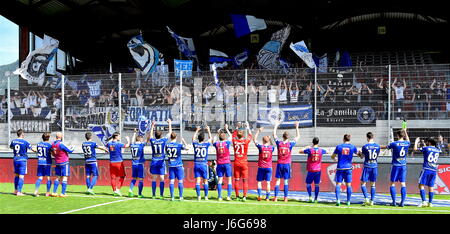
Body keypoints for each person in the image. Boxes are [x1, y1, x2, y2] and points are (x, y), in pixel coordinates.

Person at [380, 129, 410, 207]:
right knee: (403, 184)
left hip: (395, 165)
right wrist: (405, 131)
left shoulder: (394, 144)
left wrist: (378, 146)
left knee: (392, 183)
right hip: (403, 166)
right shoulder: (407, 143)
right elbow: (408, 140)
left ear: (397, 135)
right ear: (403, 135)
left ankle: (394, 202)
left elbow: (385, 147)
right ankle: (402, 202)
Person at [272, 120, 300, 202]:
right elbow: (298, 137)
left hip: (280, 164)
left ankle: (276, 197)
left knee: (277, 181)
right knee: (286, 181)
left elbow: (274, 134)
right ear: (288, 137)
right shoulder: (290, 144)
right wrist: (297, 127)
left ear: (283, 137)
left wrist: (276, 125)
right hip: (287, 164)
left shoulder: (279, 143)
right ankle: (285, 198)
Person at [147, 119, 172, 199]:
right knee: (161, 178)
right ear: (161, 135)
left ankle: (153, 195)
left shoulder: (153, 141)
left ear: (155, 135)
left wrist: (152, 126)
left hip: (154, 161)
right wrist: (170, 123)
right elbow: (170, 133)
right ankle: (161, 195)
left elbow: (150, 135)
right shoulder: (163, 140)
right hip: (161, 161)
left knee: (154, 178)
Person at [331, 134, 358, 206]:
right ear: (349, 139)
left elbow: (332, 156)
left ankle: (338, 200)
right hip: (348, 168)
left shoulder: (339, 146)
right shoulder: (352, 147)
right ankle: (348, 201)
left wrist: (335, 159)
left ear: (343, 139)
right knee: (348, 185)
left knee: (338, 185)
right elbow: (360, 155)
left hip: (340, 168)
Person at [413, 137, 441, 207]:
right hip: (434, 170)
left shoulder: (426, 148)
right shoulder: (438, 150)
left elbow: (415, 149)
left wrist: (416, 142)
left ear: (429, 142)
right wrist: (424, 144)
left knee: (421, 185)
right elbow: (430, 149)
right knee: (431, 186)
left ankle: (424, 201)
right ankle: (430, 203)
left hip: (426, 169)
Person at [299, 137, 326, 203]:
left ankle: (310, 196)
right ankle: (316, 199)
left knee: (308, 184)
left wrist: (306, 147)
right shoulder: (321, 150)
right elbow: (327, 151)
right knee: (317, 185)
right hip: (318, 170)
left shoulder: (310, 150)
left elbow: (300, 151)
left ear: (312, 142)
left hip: (311, 170)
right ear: (318, 142)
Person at [10, 129, 36, 196]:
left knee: (16, 175)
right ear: (22, 134)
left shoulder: (13, 141)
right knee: (21, 176)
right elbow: (33, 149)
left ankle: (15, 190)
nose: (24, 135)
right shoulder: (25, 142)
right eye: (23, 134)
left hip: (15, 159)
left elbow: (11, 147)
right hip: (22, 160)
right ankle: (19, 192)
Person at [357, 132, 381, 206]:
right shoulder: (377, 146)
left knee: (363, 183)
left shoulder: (365, 146)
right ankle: (372, 201)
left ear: (367, 138)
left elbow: (362, 156)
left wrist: (358, 153)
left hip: (367, 166)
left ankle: (366, 199)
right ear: (373, 137)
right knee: (373, 184)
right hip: (374, 166)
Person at [232, 121, 253, 202]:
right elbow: (250, 136)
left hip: (237, 162)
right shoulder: (245, 141)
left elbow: (233, 135)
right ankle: (244, 196)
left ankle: (237, 196)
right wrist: (248, 127)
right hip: (244, 162)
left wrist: (237, 127)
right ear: (243, 135)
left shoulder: (234, 141)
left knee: (237, 180)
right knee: (244, 180)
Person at [105, 132, 130, 196]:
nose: (119, 137)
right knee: (122, 176)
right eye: (119, 136)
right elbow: (127, 146)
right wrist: (128, 140)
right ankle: (118, 189)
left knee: (113, 178)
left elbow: (106, 146)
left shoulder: (109, 143)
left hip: (112, 163)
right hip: (119, 163)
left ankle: (114, 190)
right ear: (116, 137)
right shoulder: (118, 144)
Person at [50, 132, 74, 197]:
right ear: (61, 137)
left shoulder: (52, 144)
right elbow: (70, 151)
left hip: (57, 162)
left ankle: (54, 192)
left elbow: (52, 152)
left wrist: (55, 156)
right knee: (65, 177)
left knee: (58, 177)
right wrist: (72, 147)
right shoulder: (61, 144)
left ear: (56, 137)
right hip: (64, 162)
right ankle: (63, 193)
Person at [253, 127, 275, 201]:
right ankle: (267, 197)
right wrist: (270, 139)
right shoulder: (271, 148)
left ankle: (259, 196)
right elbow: (272, 145)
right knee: (268, 183)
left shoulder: (261, 147)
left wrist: (258, 131)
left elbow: (254, 140)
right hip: (269, 167)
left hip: (261, 167)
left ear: (262, 140)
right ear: (268, 141)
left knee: (259, 182)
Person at [166, 132, 188, 201]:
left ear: (170, 137)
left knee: (172, 181)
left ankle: (172, 197)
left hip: (171, 165)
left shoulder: (167, 145)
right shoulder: (179, 145)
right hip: (178, 165)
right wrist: (184, 141)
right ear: (176, 137)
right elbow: (187, 148)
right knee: (180, 181)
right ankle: (180, 197)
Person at [192, 125, 213, 201]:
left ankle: (198, 196)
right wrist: (208, 130)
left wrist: (196, 130)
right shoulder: (205, 144)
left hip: (197, 164)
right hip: (204, 164)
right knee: (205, 181)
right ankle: (206, 196)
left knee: (198, 181)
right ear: (204, 138)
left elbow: (193, 139)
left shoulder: (195, 144)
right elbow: (210, 139)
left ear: (198, 138)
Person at [213, 124, 233, 201]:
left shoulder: (217, 144)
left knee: (220, 180)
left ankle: (219, 196)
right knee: (229, 180)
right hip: (227, 163)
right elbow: (231, 137)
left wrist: (217, 133)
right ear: (225, 137)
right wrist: (227, 129)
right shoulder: (227, 143)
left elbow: (213, 140)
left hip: (220, 164)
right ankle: (228, 196)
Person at [33, 132, 53, 197]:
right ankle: (47, 192)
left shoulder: (39, 144)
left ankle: (36, 191)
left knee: (40, 177)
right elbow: (52, 153)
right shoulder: (49, 145)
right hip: (47, 163)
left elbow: (37, 151)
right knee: (48, 178)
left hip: (40, 162)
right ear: (48, 138)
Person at [128, 129, 146, 198]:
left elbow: (132, 140)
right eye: (142, 139)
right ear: (140, 139)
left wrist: (134, 133)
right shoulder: (141, 145)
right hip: (140, 164)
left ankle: (130, 189)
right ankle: (139, 194)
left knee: (134, 178)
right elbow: (147, 140)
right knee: (140, 179)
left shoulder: (132, 145)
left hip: (134, 164)